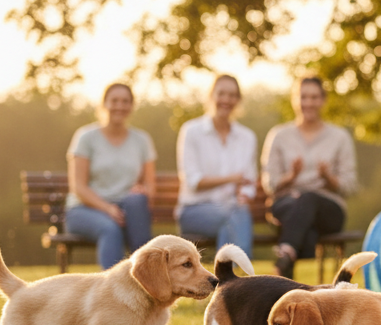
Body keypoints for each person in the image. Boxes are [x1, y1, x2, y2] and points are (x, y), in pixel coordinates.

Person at [261, 76, 359, 279]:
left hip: (328, 209)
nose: (308, 103)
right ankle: (290, 255)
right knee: (301, 209)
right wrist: (290, 177)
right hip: (287, 203)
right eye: (303, 97)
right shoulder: (279, 135)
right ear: (294, 100)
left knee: (308, 198)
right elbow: (269, 184)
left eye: (314, 97)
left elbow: (350, 186)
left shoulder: (339, 137)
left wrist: (328, 178)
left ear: (323, 100)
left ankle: (285, 255)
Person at [64, 82, 156, 270]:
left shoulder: (142, 140)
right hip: (84, 210)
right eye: (114, 101)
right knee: (110, 228)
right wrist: (107, 208)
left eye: (125, 101)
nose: (119, 106)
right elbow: (78, 187)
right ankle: (112, 293)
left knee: (138, 203)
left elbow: (150, 186)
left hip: (125, 211)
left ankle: (147, 282)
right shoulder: (85, 137)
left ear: (131, 106)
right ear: (104, 104)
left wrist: (143, 190)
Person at [176, 74, 258, 254]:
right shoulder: (191, 131)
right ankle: (241, 278)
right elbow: (193, 182)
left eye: (232, 95)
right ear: (211, 96)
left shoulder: (247, 137)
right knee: (232, 216)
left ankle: (227, 279)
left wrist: (245, 194)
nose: (226, 100)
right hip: (194, 210)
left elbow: (249, 182)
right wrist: (232, 179)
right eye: (221, 93)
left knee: (234, 216)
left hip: (232, 210)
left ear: (238, 100)